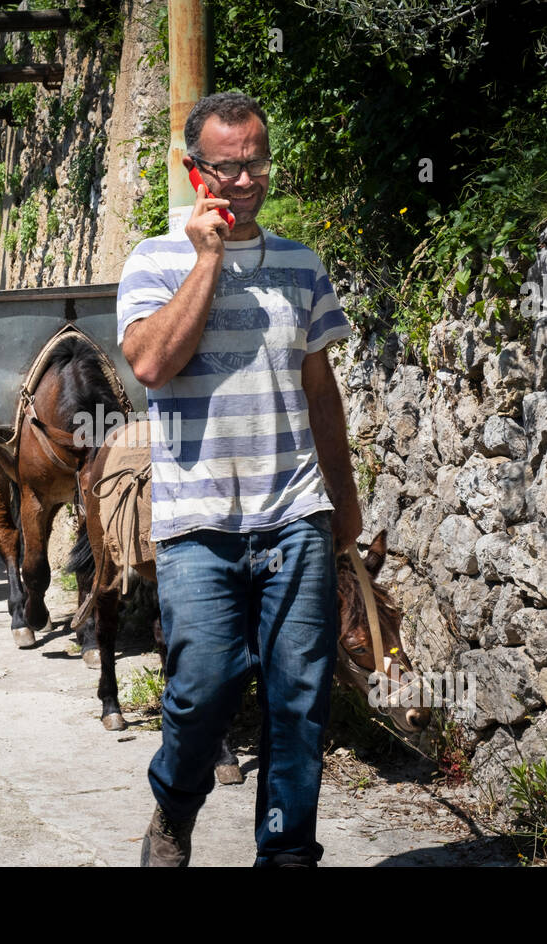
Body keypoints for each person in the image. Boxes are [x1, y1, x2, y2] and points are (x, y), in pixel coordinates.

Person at [117, 91, 363, 867]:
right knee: (202, 693)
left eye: (255, 160)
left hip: (296, 515)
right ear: (196, 171)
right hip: (198, 525)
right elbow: (153, 362)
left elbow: (321, 393)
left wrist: (345, 505)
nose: (245, 178)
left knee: (299, 702)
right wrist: (209, 258)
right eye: (226, 166)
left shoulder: (301, 264)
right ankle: (175, 809)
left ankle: (287, 856)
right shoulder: (155, 261)